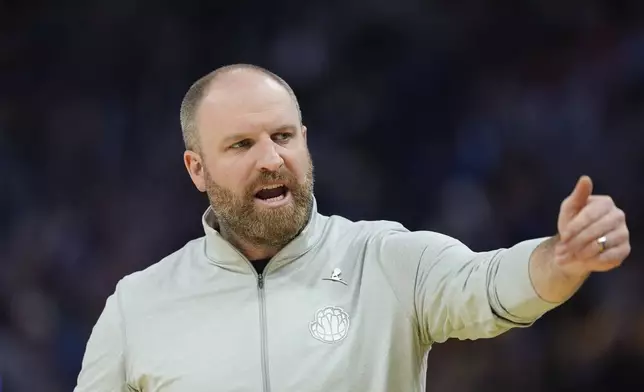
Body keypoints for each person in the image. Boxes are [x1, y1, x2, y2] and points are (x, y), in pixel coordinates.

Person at [73, 64, 631, 392]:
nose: (271, 158)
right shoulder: (137, 306)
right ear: (197, 169)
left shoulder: (385, 259)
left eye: (283, 136)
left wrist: (561, 259)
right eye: (241, 144)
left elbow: (489, 284)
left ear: (305, 140)